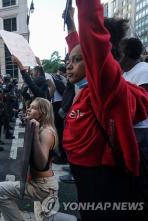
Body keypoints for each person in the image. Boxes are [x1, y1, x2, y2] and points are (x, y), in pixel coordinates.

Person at [63, 1, 148, 221]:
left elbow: (92, 42)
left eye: (77, 60)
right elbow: (80, 49)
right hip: (86, 180)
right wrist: (70, 26)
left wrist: (84, 12)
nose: (69, 65)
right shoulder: (85, 89)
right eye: (68, 60)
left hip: (102, 182)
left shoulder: (104, 91)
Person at [0, 97, 59, 221]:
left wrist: (34, 134)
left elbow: (41, 164)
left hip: (43, 187)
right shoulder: (39, 127)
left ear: (43, 113)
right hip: (39, 183)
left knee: (0, 189)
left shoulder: (46, 132)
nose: (28, 109)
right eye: (29, 107)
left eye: (33, 108)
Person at [120, 37, 148, 217]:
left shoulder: (144, 70)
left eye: (119, 52)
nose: (117, 56)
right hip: (129, 128)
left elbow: (143, 104)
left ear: (127, 54)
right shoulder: (125, 73)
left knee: (142, 173)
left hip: (142, 130)